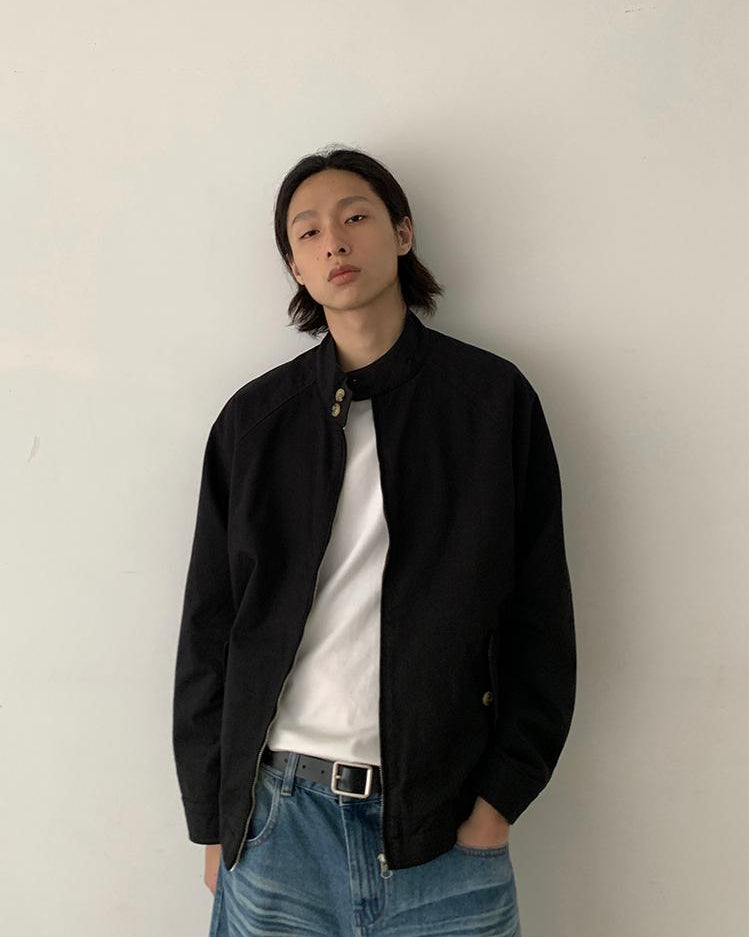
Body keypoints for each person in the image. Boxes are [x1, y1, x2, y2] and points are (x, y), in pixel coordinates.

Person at [172, 145, 576, 936]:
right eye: (307, 231)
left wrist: (497, 802)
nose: (334, 240)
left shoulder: (490, 403)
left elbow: (540, 615)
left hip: (446, 826)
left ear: (401, 232)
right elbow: (209, 631)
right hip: (278, 821)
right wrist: (215, 817)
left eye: (354, 216)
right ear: (295, 268)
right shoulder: (254, 424)